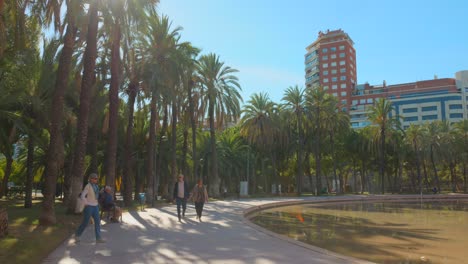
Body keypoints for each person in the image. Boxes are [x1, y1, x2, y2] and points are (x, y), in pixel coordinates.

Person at [75, 173, 105, 243]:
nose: (96, 180)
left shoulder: (96, 186)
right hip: (89, 207)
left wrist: (100, 192)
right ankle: (77, 234)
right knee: (85, 222)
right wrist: (86, 203)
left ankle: (98, 238)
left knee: (97, 222)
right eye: (94, 178)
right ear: (90, 179)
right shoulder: (88, 186)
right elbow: (82, 196)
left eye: (96, 178)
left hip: (95, 206)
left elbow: (96, 195)